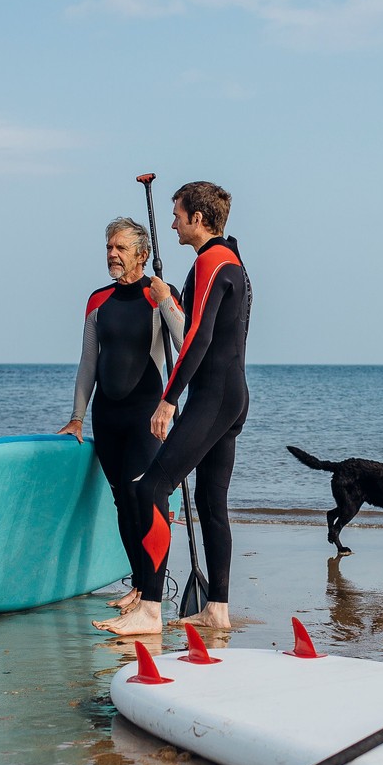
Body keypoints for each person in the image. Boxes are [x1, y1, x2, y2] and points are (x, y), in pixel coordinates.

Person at [97, 181, 249, 636]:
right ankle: (216, 608)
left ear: (198, 218)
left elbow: (198, 337)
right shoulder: (234, 261)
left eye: (178, 214)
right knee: (209, 501)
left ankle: (149, 609)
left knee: (148, 489)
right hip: (232, 394)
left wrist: (169, 398)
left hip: (213, 397)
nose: (173, 223)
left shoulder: (211, 261)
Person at [60, 217, 185, 616]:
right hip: (108, 416)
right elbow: (87, 363)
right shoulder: (98, 300)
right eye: (109, 248)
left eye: (120, 248)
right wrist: (78, 416)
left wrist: (166, 299)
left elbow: (185, 343)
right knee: (121, 501)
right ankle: (138, 584)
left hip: (146, 415)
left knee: (144, 499)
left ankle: (153, 588)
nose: (112, 254)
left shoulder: (158, 293)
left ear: (142, 255)